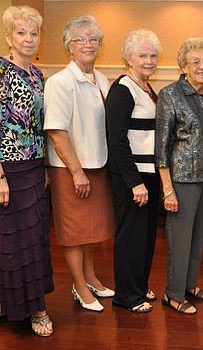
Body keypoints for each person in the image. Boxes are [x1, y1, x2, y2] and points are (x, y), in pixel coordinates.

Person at [44, 15, 115, 312]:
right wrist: (76, 172)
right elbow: (57, 131)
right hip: (70, 170)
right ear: (69, 47)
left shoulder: (102, 79)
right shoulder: (60, 82)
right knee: (74, 233)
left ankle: (90, 277)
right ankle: (79, 288)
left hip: (97, 165)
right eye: (80, 39)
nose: (88, 44)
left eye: (93, 39)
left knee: (91, 229)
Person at [0, 5, 54, 337]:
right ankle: (12, 305)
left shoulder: (37, 75)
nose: (29, 39)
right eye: (21, 32)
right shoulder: (1, 73)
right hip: (9, 169)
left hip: (34, 167)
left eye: (34, 33)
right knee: (10, 241)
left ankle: (35, 306)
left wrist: (45, 165)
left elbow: (41, 126)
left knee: (34, 239)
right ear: (8, 36)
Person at [156, 38, 203, 315]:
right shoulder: (170, 94)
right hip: (181, 177)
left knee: (198, 236)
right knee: (180, 238)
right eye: (196, 62)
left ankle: (189, 285)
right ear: (183, 66)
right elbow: (162, 146)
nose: (202, 66)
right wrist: (168, 189)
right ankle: (173, 293)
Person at [105, 29, 162, 313]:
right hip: (132, 178)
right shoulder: (123, 90)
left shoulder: (147, 89)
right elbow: (116, 141)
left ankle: (139, 286)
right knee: (130, 237)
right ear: (129, 58)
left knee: (146, 236)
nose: (149, 60)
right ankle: (126, 295)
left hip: (149, 175)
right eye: (142, 55)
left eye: (153, 55)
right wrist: (134, 182)